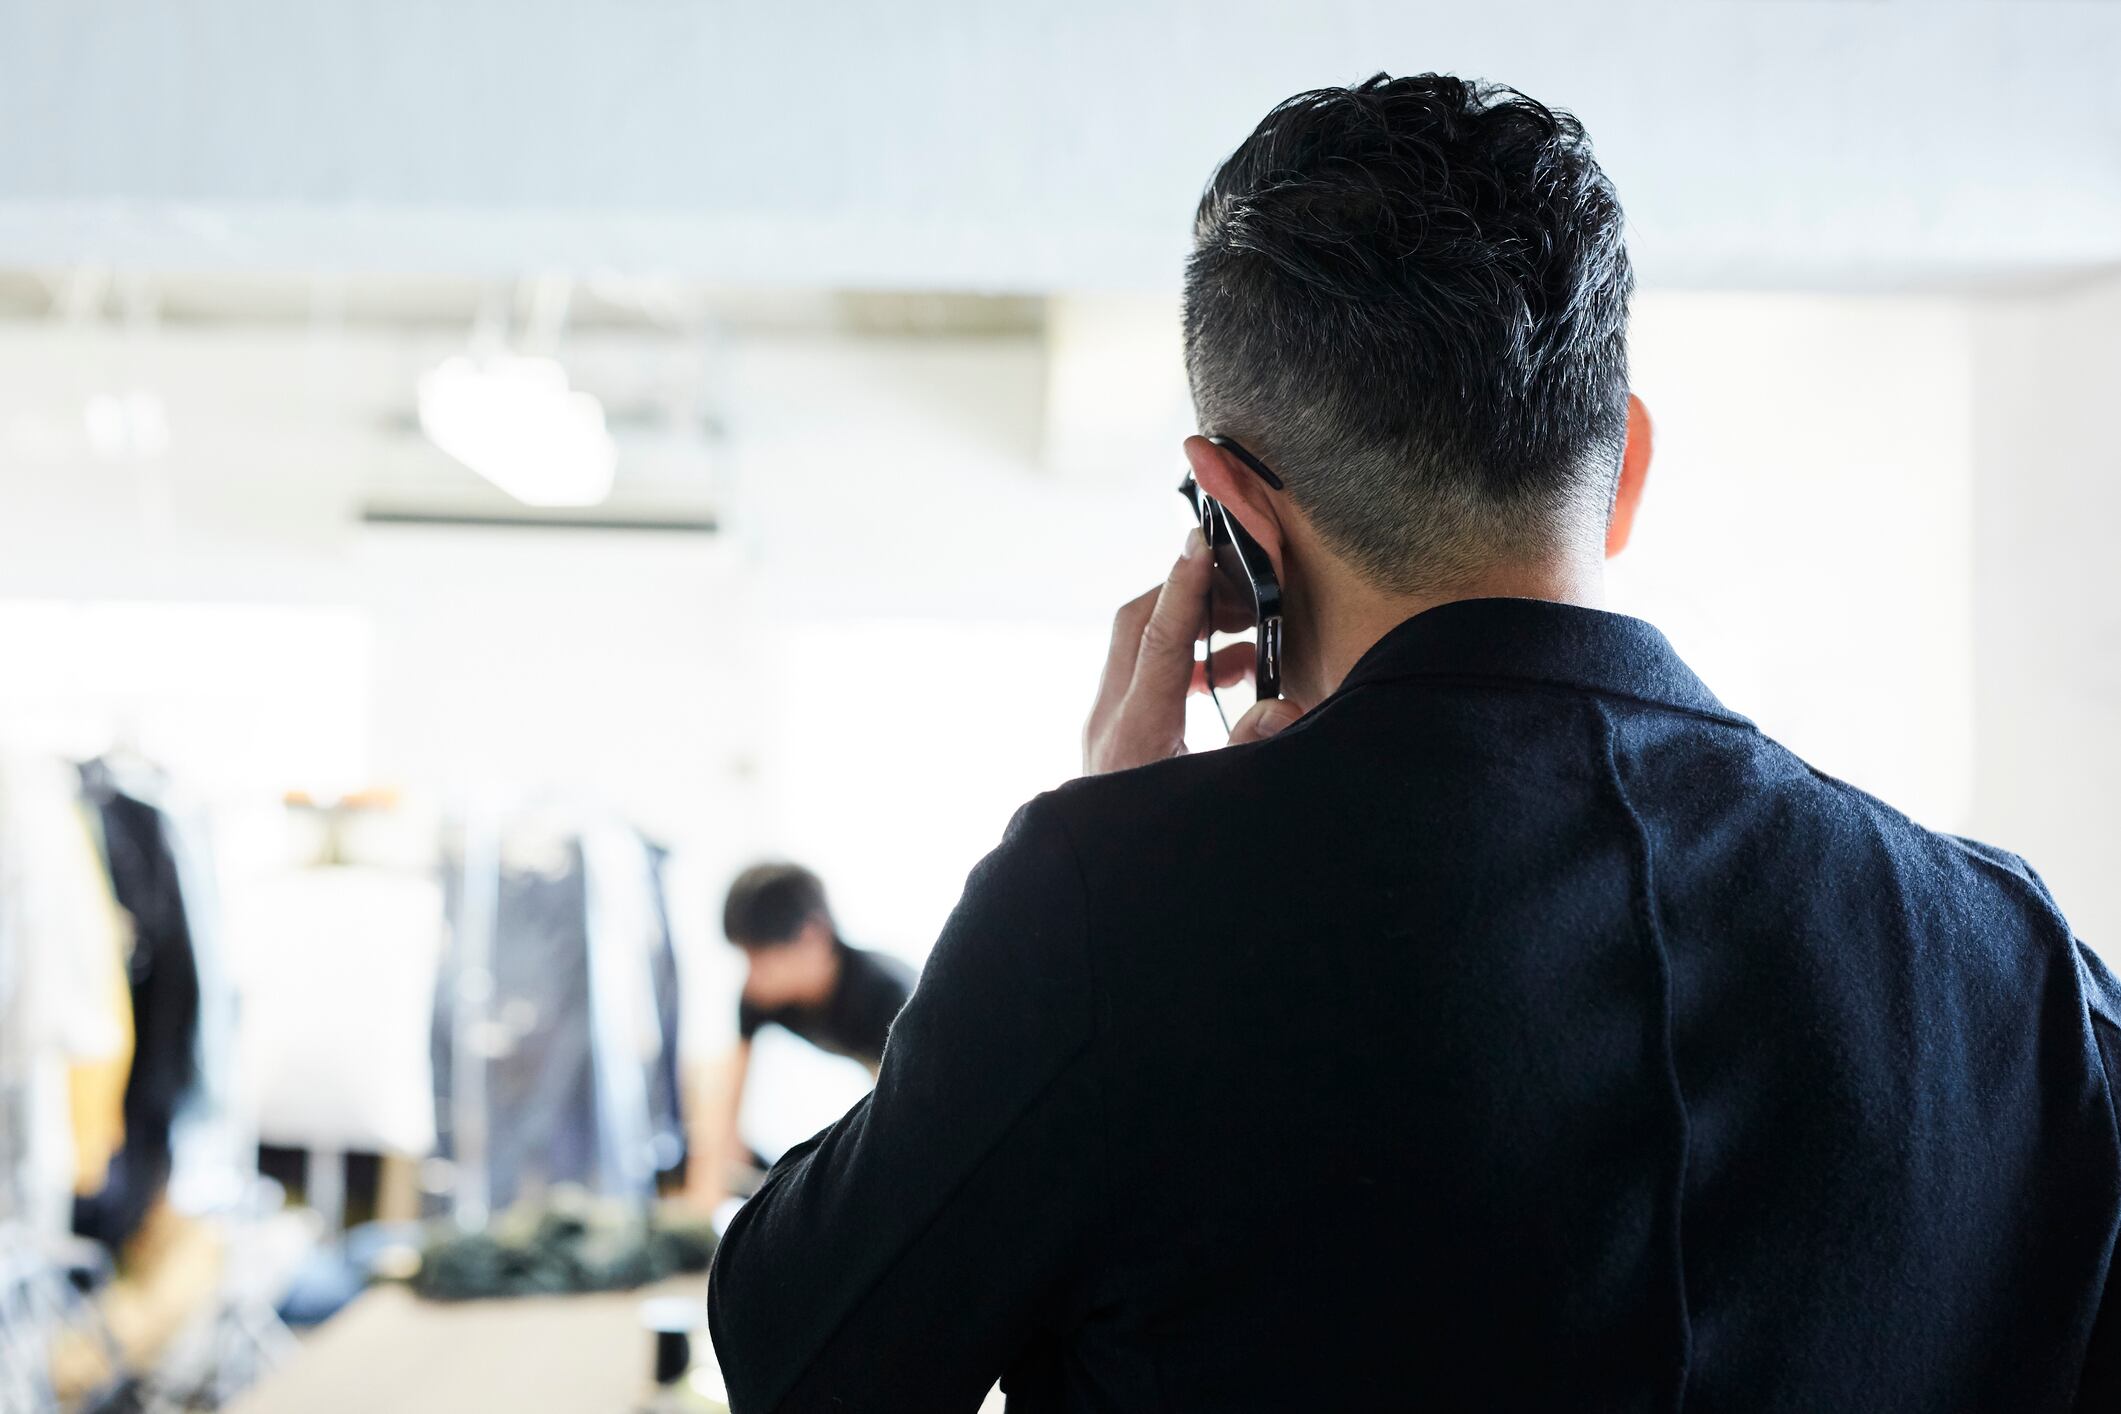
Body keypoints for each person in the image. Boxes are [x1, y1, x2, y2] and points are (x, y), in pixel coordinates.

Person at [708, 73, 2121, 1411]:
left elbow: (801, 1355)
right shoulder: (2020, 959)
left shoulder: (1106, 908)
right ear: (1621, 466)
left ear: (1233, 519)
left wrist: (1106, 847)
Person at [684, 863, 911, 1209]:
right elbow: (726, 1103)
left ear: (812, 935)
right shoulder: (759, 995)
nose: (752, 976)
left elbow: (899, 1110)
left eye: (761, 958)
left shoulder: (885, 994)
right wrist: (702, 1202)